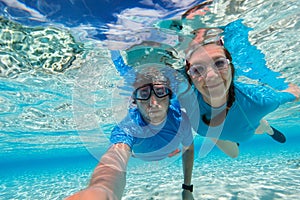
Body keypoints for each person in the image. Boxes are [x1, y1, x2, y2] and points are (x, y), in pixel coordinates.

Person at [66, 64, 195, 200]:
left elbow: (189, 149)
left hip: (166, 150)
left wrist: (187, 188)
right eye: (144, 94)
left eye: (160, 92)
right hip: (141, 154)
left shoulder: (180, 119)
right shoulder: (128, 127)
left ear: (169, 95)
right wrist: (102, 190)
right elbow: (115, 159)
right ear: (135, 100)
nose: (153, 102)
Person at [179, 28, 300, 158]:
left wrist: (286, 85)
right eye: (197, 69)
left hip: (245, 130)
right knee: (234, 154)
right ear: (190, 76)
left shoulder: (259, 101)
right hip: (214, 134)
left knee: (260, 128)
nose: (211, 77)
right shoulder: (181, 97)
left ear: (231, 67)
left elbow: (295, 93)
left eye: (219, 63)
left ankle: (269, 130)